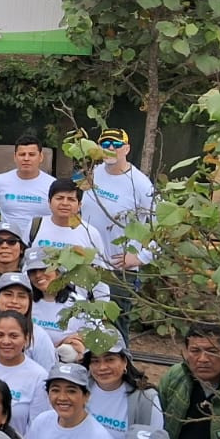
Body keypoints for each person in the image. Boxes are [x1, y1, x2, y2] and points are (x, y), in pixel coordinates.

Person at [82, 128, 156, 331]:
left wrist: (142, 257)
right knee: (84, 325)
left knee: (115, 328)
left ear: (127, 149)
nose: (111, 149)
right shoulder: (93, 173)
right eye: (105, 145)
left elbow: (161, 227)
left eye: (116, 145)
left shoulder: (140, 184)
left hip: (118, 271)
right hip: (87, 264)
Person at [0, 273, 57, 371]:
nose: (14, 301)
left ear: (29, 302)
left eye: (21, 296)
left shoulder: (39, 336)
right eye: (8, 295)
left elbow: (48, 375)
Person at [86, 333, 164, 439]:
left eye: (110, 359)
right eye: (95, 361)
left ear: (125, 361)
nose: (102, 367)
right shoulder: (80, 389)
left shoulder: (146, 400)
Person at [0, 136, 55, 228]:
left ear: (40, 157)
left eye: (32, 154)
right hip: (9, 240)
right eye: (22, 154)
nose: (26, 158)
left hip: (39, 240)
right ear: (15, 157)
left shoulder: (52, 185)